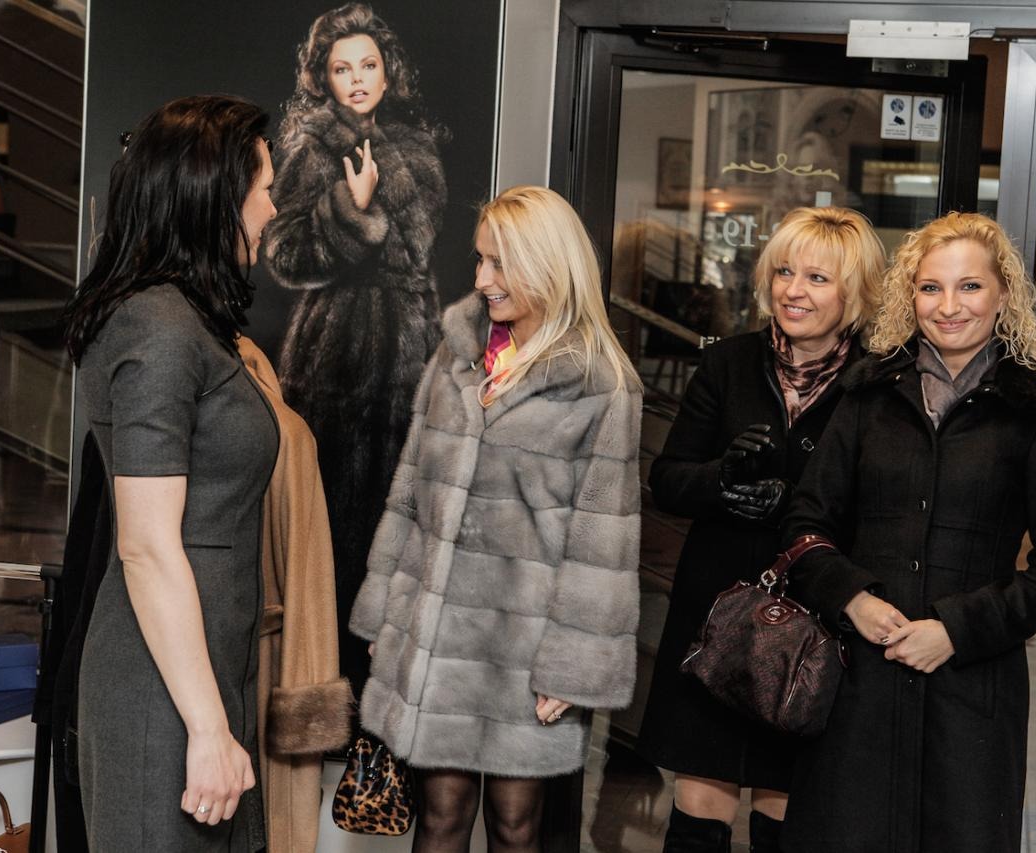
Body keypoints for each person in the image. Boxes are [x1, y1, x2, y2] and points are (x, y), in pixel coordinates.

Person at [779, 211, 1036, 852]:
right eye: (930, 287)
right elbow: (805, 524)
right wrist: (852, 598)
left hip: (973, 692)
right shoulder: (867, 393)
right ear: (910, 296)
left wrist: (957, 630)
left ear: (1003, 294)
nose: (949, 307)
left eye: (969, 286)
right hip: (859, 683)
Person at [349, 185, 642, 852]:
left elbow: (602, 539)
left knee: (515, 826)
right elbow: (408, 492)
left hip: (527, 647)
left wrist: (573, 667)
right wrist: (387, 614)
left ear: (547, 264)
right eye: (480, 260)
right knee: (441, 816)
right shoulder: (456, 353)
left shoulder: (601, 383)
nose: (482, 280)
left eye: (500, 263)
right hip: (436, 634)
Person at [62, 95, 279, 851]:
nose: (272, 208)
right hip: (166, 697)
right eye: (264, 189)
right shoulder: (156, 325)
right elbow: (147, 545)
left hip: (200, 682)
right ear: (216, 197)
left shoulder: (187, 321)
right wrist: (208, 727)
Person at [636, 207, 886, 852]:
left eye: (817, 278)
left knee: (786, 811)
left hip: (812, 629)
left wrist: (797, 505)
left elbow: (885, 506)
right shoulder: (728, 363)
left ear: (854, 292)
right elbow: (667, 479)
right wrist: (722, 479)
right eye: (783, 272)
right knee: (698, 809)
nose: (793, 291)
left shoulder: (878, 384)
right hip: (716, 619)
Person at [263, 1, 447, 696]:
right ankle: (325, 696)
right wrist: (351, 208)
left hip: (412, 355)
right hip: (339, 358)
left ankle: (381, 712)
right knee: (335, 538)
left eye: (368, 65)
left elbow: (421, 250)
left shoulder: (415, 142)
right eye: (342, 69)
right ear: (323, 78)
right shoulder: (312, 146)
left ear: (388, 71)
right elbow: (284, 254)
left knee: (399, 537)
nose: (358, 79)